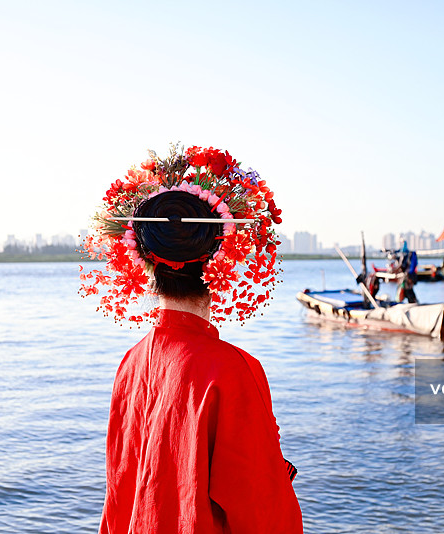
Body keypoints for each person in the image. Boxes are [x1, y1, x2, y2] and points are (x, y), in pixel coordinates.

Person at [80, 146, 302, 534]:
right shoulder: (233, 369)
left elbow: (118, 496)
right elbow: (264, 513)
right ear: (220, 258)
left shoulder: (130, 364)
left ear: (145, 262)